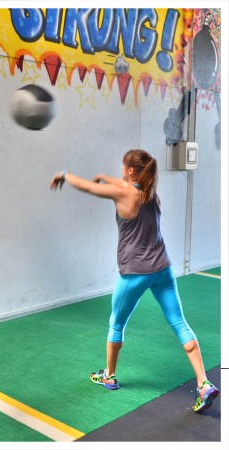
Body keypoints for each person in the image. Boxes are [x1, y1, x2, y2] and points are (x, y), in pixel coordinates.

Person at [49, 149, 219, 413]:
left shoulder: (124, 193)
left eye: (122, 168)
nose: (120, 172)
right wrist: (105, 176)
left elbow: (86, 188)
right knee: (179, 323)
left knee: (116, 323)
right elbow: (122, 185)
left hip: (135, 272)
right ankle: (204, 383)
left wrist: (65, 175)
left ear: (130, 170)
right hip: (163, 268)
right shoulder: (151, 193)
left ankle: (109, 375)